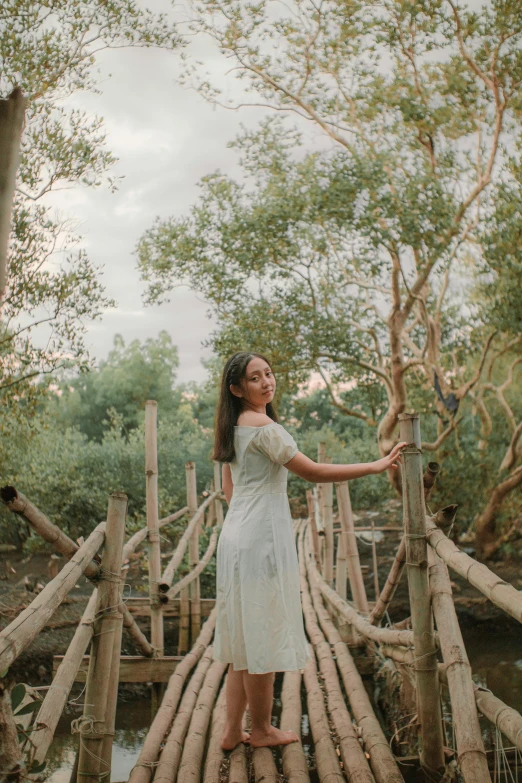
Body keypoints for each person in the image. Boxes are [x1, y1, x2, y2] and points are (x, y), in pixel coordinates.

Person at [212, 351, 406, 752]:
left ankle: (232, 732)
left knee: (245, 639)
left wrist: (249, 520)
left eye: (269, 372)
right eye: (254, 378)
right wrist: (374, 465)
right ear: (236, 388)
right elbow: (314, 472)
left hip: (236, 536)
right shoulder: (265, 427)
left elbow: (230, 490)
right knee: (262, 633)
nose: (267, 381)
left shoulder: (232, 427)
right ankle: (262, 730)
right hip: (261, 538)